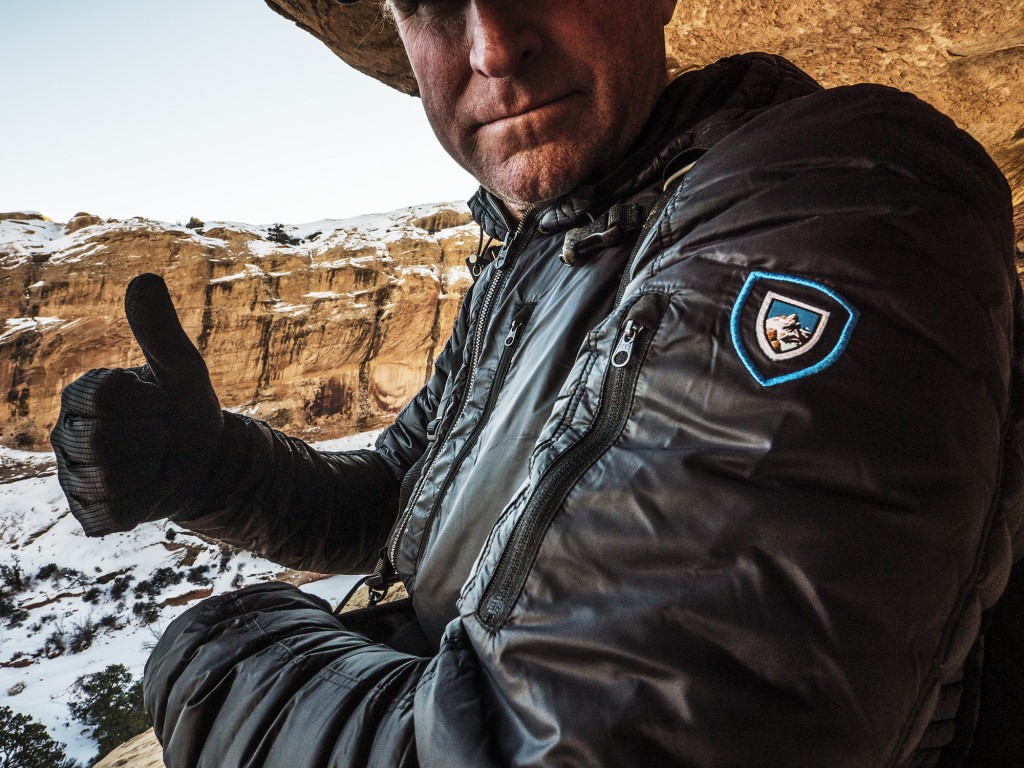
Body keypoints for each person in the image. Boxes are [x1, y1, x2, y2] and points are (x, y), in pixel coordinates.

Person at [49, 0, 1024, 766]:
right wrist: (213, 471)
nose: (492, 44)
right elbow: (403, 496)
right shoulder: (537, 250)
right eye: (431, 2)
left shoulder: (838, 196)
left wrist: (212, 660)